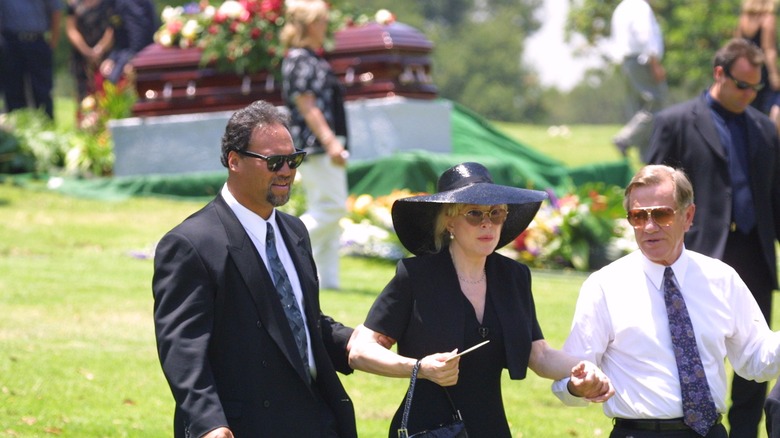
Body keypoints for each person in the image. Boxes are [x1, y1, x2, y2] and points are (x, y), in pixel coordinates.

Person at [348, 162, 614, 438]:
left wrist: (583, 370)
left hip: (491, 427)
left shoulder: (514, 276)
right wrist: (419, 368)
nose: (487, 223)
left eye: (496, 213)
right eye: (474, 214)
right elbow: (361, 351)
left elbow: (539, 354)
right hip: (428, 430)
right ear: (449, 220)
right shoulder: (415, 276)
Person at [153, 100, 358, 438]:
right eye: (275, 162)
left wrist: (356, 342)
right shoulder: (191, 244)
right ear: (234, 161)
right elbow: (183, 348)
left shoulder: (295, 232)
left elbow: (300, 320)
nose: (287, 171)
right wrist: (208, 423)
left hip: (316, 419)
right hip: (243, 426)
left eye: (293, 160)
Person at [552, 164, 780, 438]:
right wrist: (577, 386)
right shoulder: (605, 286)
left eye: (661, 214)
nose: (649, 226)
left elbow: (755, 359)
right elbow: (570, 374)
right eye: (638, 216)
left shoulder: (721, 278)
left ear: (688, 216)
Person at [646, 37, 780, 438]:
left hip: (753, 253)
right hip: (696, 255)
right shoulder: (675, 121)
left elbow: (775, 196)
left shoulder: (764, 130)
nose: (749, 95)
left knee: (754, 353)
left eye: (756, 88)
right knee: (696, 352)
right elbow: (650, 191)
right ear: (719, 73)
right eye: (742, 85)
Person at [281, 0, 349, 290]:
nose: (326, 27)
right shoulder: (300, 59)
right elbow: (307, 106)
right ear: (310, 24)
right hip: (317, 145)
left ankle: (326, 282)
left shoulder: (310, 58)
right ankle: (285, 251)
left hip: (321, 143)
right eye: (322, 21)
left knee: (327, 214)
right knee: (333, 208)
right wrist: (331, 141)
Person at [610, 0, 668, 158]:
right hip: (642, 61)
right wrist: (655, 63)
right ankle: (624, 139)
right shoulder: (640, 6)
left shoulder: (622, 7)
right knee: (655, 104)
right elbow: (645, 35)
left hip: (628, 62)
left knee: (638, 109)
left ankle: (647, 157)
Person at [0, 0, 63, 119]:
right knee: (13, 91)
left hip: (37, 41)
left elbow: (56, 12)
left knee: (42, 91)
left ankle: (46, 130)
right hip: (10, 43)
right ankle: (18, 129)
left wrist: (53, 43)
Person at [735, 0, 780, 134]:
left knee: (749, 109)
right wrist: (774, 75)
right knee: (774, 106)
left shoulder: (744, 18)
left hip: (745, 71)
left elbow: (737, 45)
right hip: (762, 72)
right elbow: (769, 49)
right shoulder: (767, 18)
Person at [65, 0, 114, 104]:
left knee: (106, 95)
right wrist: (86, 51)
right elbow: (71, 29)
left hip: (106, 58)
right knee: (83, 97)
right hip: (80, 59)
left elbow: (112, 28)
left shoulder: (109, 3)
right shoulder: (74, 5)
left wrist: (99, 48)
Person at [100, 0, 156, 85]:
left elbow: (139, 37)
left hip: (143, 53)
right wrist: (112, 58)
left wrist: (131, 61)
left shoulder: (129, 2)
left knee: (113, 82)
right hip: (126, 50)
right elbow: (120, 36)